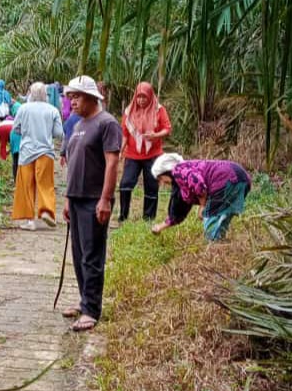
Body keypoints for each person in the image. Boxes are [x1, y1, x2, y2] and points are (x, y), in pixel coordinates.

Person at [62, 75, 122, 332]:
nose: (72, 101)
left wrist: (105, 199)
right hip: (76, 198)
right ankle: (84, 300)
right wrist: (67, 198)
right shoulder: (78, 125)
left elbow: (112, 163)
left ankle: (92, 309)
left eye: (76, 96)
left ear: (90, 97)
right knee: (78, 255)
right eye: (70, 97)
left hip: (94, 198)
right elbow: (73, 162)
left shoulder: (107, 123)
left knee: (92, 255)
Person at [150, 154, 251, 241]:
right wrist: (161, 226)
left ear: (165, 172)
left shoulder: (178, 171)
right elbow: (179, 209)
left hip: (225, 179)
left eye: (160, 178)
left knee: (210, 215)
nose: (162, 182)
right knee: (223, 215)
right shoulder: (182, 180)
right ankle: (219, 242)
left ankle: (213, 244)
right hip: (241, 178)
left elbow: (199, 185)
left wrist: (202, 206)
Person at [11, 82, 63, 230]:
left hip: (27, 152)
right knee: (45, 183)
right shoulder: (52, 110)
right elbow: (59, 133)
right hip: (46, 152)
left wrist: (26, 132)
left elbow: (15, 128)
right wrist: (47, 132)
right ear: (45, 94)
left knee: (26, 185)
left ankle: (29, 221)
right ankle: (46, 211)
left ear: (31, 94)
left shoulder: (23, 108)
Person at [118, 82, 172, 222]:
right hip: (132, 155)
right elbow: (125, 134)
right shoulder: (129, 111)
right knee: (125, 184)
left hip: (153, 156)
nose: (141, 100)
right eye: (139, 97)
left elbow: (167, 128)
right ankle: (123, 216)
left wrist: (155, 135)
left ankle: (148, 218)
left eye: (144, 97)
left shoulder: (159, 110)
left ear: (150, 96)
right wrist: (120, 150)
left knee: (151, 186)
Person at [9, 102, 22, 180]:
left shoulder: (12, 121)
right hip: (24, 145)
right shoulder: (26, 117)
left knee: (15, 161)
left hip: (15, 142)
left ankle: (16, 180)